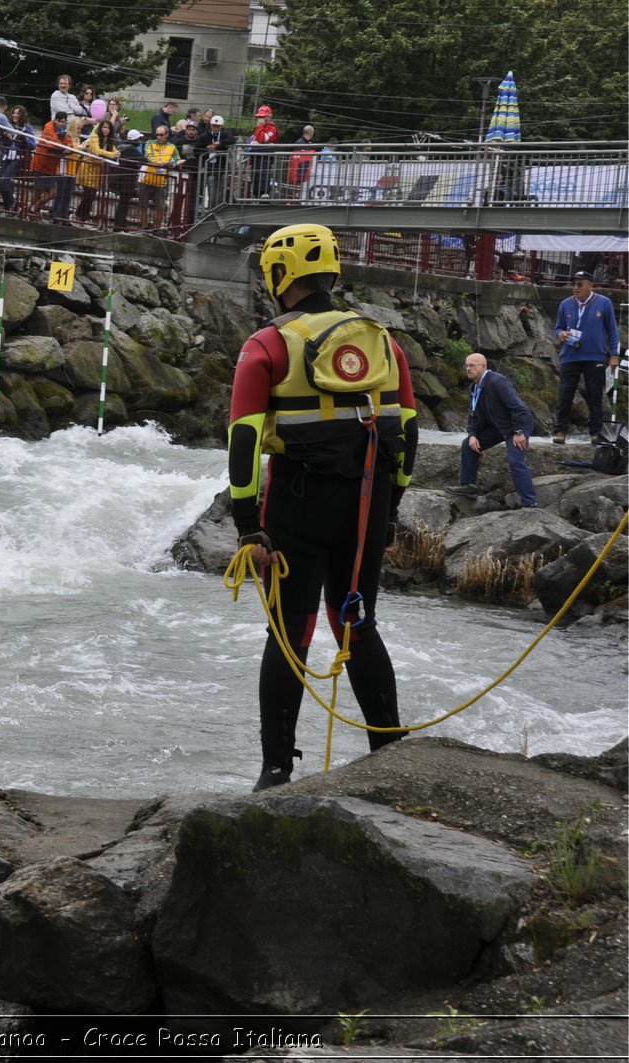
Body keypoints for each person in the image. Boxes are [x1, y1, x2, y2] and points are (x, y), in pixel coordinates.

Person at [227, 223, 417, 791]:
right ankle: (390, 752)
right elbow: (407, 433)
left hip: (298, 503)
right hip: (367, 502)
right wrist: (389, 511)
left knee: (290, 632)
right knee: (357, 624)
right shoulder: (384, 341)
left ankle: (275, 771)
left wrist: (247, 526)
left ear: (279, 276)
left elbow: (244, 439)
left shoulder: (266, 344)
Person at [449, 352, 537, 508]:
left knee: (515, 461)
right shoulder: (474, 387)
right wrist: (472, 435)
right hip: (498, 426)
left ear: (483, 367)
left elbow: (519, 408)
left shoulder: (497, 381)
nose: (468, 368)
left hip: (517, 425)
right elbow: (474, 416)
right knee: (468, 445)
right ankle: (468, 486)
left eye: (472, 365)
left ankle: (529, 503)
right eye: (467, 365)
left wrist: (518, 432)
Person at [551, 270, 621, 445]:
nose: (575, 287)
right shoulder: (565, 304)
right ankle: (560, 430)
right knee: (565, 393)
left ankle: (596, 432)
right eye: (574, 284)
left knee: (594, 394)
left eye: (580, 284)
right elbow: (558, 327)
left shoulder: (604, 303)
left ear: (590, 285)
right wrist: (561, 334)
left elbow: (612, 330)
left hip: (594, 356)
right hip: (570, 355)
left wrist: (614, 355)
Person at [136, 123, 178, 231]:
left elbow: (177, 159)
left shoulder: (172, 147)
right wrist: (160, 163)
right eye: (157, 135)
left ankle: (157, 229)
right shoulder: (150, 142)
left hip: (160, 180)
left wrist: (171, 163)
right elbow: (148, 155)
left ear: (167, 135)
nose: (158, 137)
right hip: (145, 178)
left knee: (160, 206)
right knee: (143, 204)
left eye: (161, 135)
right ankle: (144, 227)